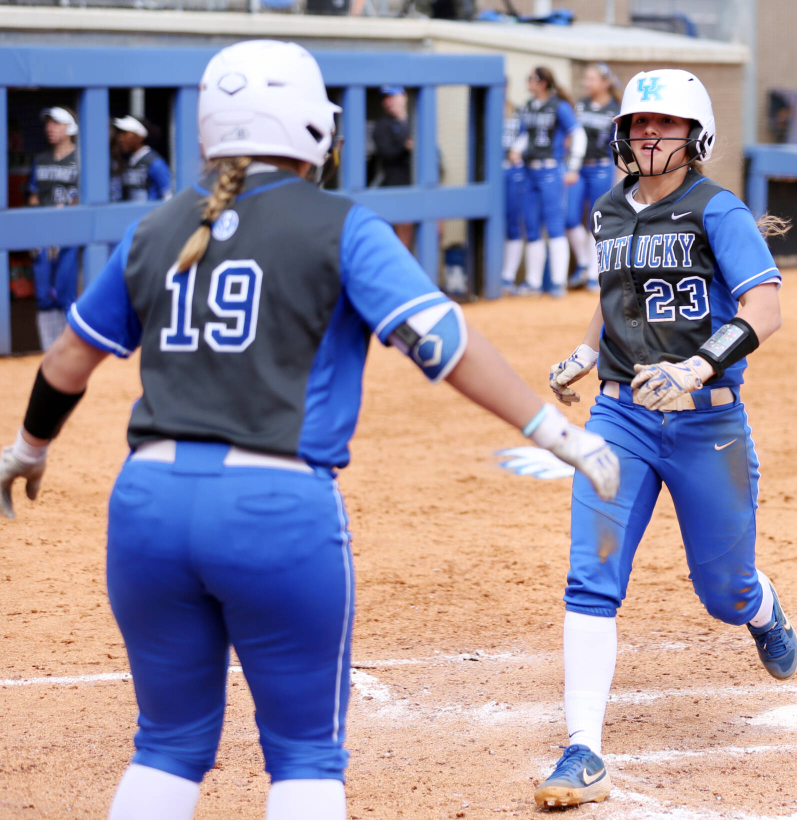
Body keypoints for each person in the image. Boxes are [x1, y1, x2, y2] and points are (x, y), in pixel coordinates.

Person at [0, 39, 619, 820]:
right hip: (274, 509)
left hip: (147, 504)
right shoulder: (339, 224)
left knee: (166, 750)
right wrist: (559, 434)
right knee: (303, 758)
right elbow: (446, 344)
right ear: (305, 127)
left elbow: (65, 361)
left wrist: (27, 448)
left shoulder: (157, 227)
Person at [534, 68, 797, 809]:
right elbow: (612, 298)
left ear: (695, 136)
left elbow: (765, 308)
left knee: (724, 591)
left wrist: (695, 365)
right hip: (621, 417)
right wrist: (589, 353)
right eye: (639, 124)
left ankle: (763, 607)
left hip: (706, 419)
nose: (649, 135)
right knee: (592, 576)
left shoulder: (718, 209)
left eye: (666, 124)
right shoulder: (609, 210)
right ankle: (582, 749)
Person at [506, 66, 584, 298]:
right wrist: (516, 149)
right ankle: (533, 282)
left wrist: (573, 166)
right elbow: (525, 135)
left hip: (551, 169)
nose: (528, 83)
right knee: (531, 224)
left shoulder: (559, 106)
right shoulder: (529, 106)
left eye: (531, 79)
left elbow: (578, 134)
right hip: (530, 170)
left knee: (554, 224)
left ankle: (558, 282)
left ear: (542, 82)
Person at [28, 106, 81, 352]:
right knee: (42, 296)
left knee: (65, 294)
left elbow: (81, 199)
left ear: (70, 128)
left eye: (56, 123)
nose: (50, 128)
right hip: (43, 237)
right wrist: (36, 233)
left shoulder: (80, 160)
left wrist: (63, 226)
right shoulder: (40, 160)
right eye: (48, 124)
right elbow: (34, 197)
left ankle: (67, 349)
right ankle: (47, 350)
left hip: (68, 236)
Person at [564, 62, 621, 292]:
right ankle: (584, 264)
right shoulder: (580, 105)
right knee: (570, 218)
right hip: (578, 168)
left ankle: (594, 273)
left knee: (597, 220)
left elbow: (619, 147)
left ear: (605, 82)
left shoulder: (615, 109)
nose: (586, 83)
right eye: (585, 79)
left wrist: (620, 177)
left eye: (591, 79)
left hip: (602, 167)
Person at [372, 85, 415, 250]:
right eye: (385, 98)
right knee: (400, 231)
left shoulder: (415, 121)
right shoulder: (382, 126)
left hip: (417, 184)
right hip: (396, 184)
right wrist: (405, 146)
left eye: (392, 96)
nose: (388, 102)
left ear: (403, 97)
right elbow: (386, 153)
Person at [499, 100, 527, 294]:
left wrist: (517, 149)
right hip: (494, 173)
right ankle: (496, 275)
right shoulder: (487, 111)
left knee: (514, 224)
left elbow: (527, 135)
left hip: (515, 172)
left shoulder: (519, 112)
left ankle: (507, 277)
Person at [113, 116, 173, 202]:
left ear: (139, 137)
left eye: (125, 134)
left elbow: (168, 194)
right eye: (120, 134)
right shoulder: (129, 161)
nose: (120, 139)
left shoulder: (155, 163)